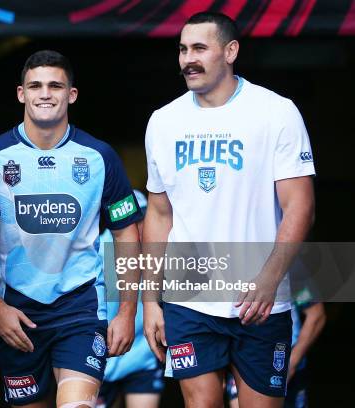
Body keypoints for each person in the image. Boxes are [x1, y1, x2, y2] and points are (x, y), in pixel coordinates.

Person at [142, 11, 316, 408]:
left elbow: (300, 205)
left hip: (260, 299)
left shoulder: (276, 112)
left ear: (231, 51)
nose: (188, 58)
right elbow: (159, 215)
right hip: (189, 298)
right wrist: (151, 301)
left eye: (200, 48)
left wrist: (270, 278)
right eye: (183, 49)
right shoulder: (163, 121)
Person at [0, 50, 142, 408]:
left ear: (72, 94)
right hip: (17, 314)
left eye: (55, 85)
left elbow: (127, 235)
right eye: (35, 85)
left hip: (81, 310)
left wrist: (127, 311)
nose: (45, 93)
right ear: (21, 93)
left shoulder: (99, 156)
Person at [97, 190, 164, 408]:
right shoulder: (97, 252)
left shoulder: (158, 252)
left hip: (141, 357)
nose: (140, 226)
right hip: (101, 356)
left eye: (143, 218)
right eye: (134, 220)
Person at [226, 300, 326, 408]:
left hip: (285, 360)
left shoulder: (296, 283)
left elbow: (316, 316)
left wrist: (291, 364)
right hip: (245, 358)